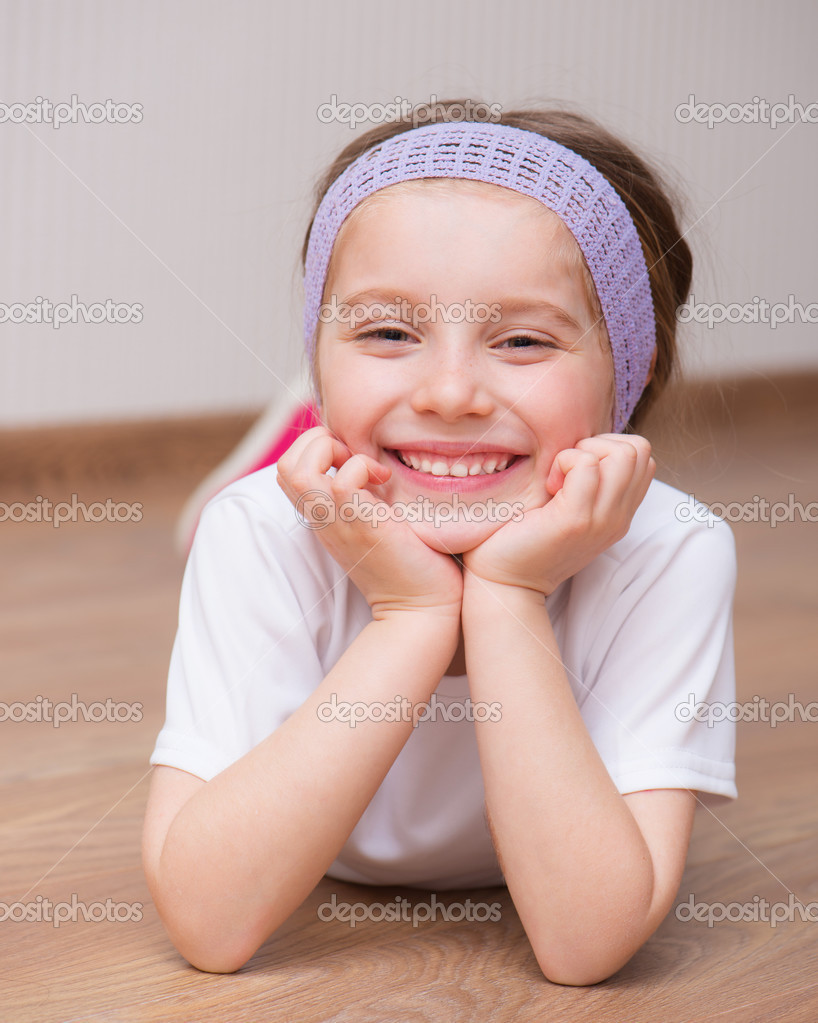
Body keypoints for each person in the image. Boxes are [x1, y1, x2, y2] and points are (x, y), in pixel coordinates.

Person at [142, 101, 737, 986]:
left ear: (631, 367)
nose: (451, 392)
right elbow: (209, 920)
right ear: (317, 351)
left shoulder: (674, 549)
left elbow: (583, 944)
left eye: (523, 340)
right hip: (304, 497)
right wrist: (412, 613)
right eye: (388, 331)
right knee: (226, 511)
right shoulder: (260, 530)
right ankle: (298, 429)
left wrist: (507, 595)